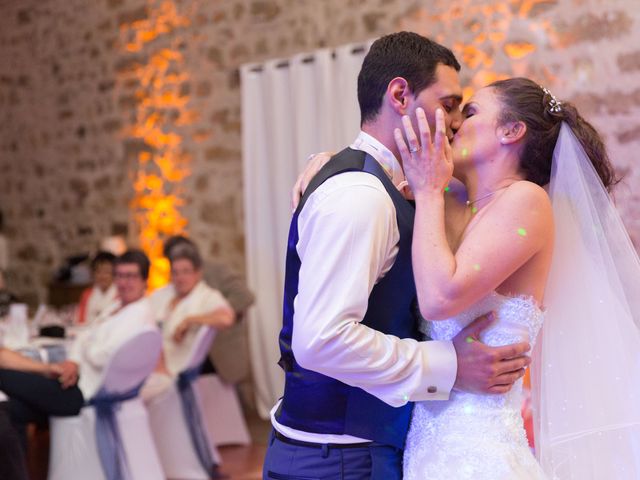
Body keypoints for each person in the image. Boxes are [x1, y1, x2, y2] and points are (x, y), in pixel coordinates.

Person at [264, 32, 532, 480]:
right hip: (342, 458)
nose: (453, 123)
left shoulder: (404, 188)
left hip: (368, 448)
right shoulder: (361, 194)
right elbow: (320, 340)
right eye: (448, 105)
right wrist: (448, 365)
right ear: (400, 95)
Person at [394, 78, 640, 478]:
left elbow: (439, 299)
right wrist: (328, 164)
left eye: (471, 112)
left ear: (511, 131)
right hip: (428, 445)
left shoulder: (526, 201)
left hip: (479, 454)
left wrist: (426, 194)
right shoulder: (456, 203)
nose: (454, 123)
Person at [143, 242, 234, 400]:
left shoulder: (206, 296)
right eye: (175, 273)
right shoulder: (162, 293)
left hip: (173, 370)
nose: (180, 278)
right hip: (147, 363)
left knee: (130, 394)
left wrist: (191, 319)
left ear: (198, 273)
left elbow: (227, 318)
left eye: (186, 272)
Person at [63, 249, 158, 400]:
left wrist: (85, 345)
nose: (123, 282)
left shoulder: (138, 314)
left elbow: (101, 357)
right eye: (119, 276)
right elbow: (85, 334)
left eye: (131, 276)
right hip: (81, 377)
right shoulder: (116, 305)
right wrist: (73, 361)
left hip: (94, 389)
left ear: (144, 281)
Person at [163, 235, 254, 384]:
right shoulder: (173, 282)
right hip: (192, 353)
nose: (180, 274)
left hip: (221, 347)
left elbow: (245, 297)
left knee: (231, 399)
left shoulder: (216, 270)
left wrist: (210, 315)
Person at [76, 251, 118, 325]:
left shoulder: (120, 295)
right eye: (98, 271)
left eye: (106, 272)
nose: (102, 276)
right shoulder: (87, 294)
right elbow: (80, 320)